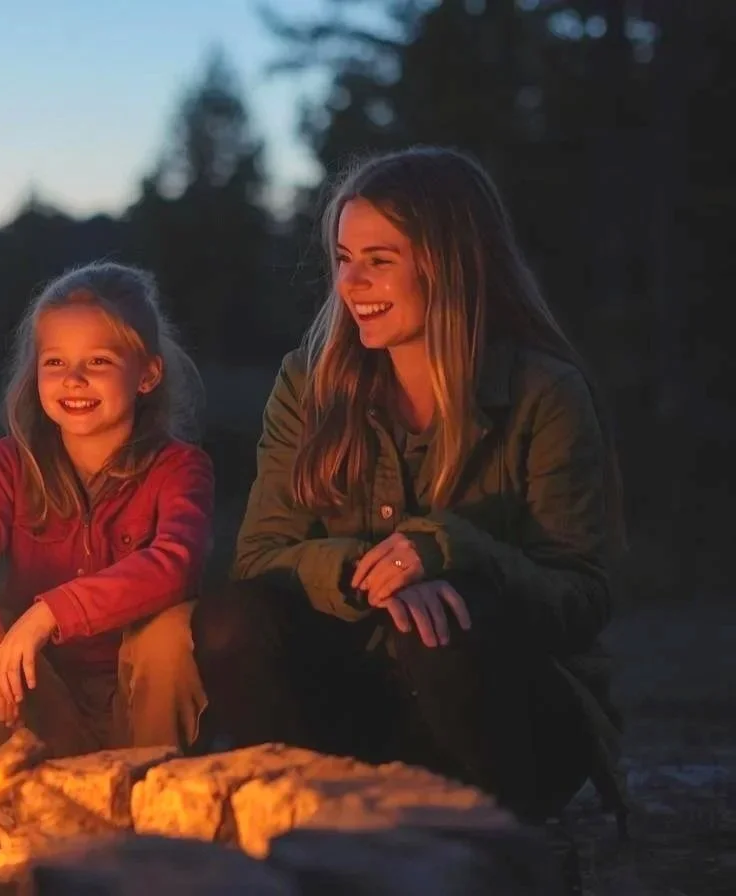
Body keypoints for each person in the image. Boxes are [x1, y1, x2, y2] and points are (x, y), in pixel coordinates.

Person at [194, 146, 627, 824]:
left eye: (379, 260)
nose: (351, 284)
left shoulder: (543, 393)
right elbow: (260, 557)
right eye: (343, 258)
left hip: (502, 715)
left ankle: (477, 840)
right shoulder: (309, 386)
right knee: (229, 619)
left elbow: (582, 596)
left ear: (451, 262)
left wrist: (449, 552)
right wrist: (363, 572)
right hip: (354, 709)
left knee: (435, 628)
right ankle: (302, 825)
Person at [0, 262, 213, 759]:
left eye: (97, 362)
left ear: (147, 374)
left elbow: (174, 564)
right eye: (55, 363)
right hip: (36, 693)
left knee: (171, 633)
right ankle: (12, 797)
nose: (73, 380)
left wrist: (49, 614)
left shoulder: (179, 467)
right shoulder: (12, 464)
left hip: (137, 698)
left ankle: (151, 796)